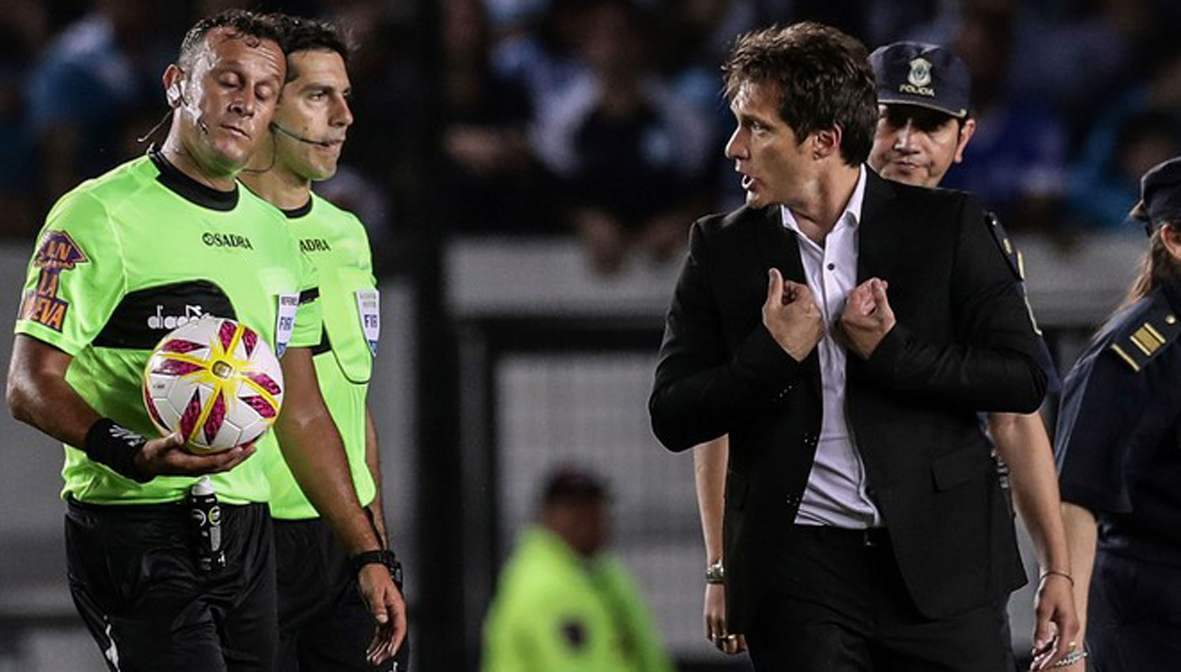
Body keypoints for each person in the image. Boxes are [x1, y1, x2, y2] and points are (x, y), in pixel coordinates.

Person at [5, 10, 401, 670]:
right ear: (176, 85)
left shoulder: (274, 236)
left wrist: (366, 552)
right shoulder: (98, 214)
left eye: (264, 91)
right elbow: (28, 384)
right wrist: (134, 452)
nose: (245, 103)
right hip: (134, 525)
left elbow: (303, 411)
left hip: (246, 529)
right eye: (228, 81)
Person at [650, 22, 1049, 671]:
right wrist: (772, 354)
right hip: (798, 573)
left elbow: (1022, 379)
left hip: (942, 564)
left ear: (823, 141)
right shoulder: (720, 248)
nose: (733, 147)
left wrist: (894, 352)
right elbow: (673, 414)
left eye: (756, 128)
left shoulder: (951, 226)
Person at [238, 14, 408, 671]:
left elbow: (351, 401)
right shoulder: (217, 233)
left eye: (345, 96)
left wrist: (375, 544)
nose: (342, 116)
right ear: (263, 103)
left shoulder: (347, 234)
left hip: (344, 545)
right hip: (251, 540)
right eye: (317, 95)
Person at [1055, 156, 1181, 671]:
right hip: (1151, 609)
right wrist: (1068, 648)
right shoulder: (1136, 351)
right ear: (1175, 240)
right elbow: (1075, 497)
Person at [481, 467, 673, 672]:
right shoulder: (546, 587)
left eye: (595, 508)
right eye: (575, 510)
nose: (590, 520)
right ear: (547, 517)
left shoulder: (604, 574)